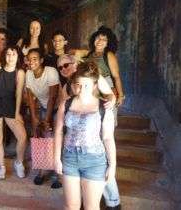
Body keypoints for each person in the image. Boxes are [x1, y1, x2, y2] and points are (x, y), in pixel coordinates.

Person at [57, 54, 121, 210]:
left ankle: (113, 201)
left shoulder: (93, 78)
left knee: (91, 206)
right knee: (71, 205)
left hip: (94, 156)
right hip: (70, 155)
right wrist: (56, 158)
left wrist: (112, 165)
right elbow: (60, 127)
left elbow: (107, 138)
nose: (64, 69)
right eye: (60, 67)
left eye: (67, 65)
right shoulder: (67, 90)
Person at [0, 46, 27, 179]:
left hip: (10, 104)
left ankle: (19, 162)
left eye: (14, 54)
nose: (10, 57)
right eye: (8, 54)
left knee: (22, 136)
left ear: (18, 56)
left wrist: (16, 113)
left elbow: (19, 94)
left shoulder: (19, 72)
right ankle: (1, 166)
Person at [25, 48, 62, 189]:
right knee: (39, 136)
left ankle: (57, 175)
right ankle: (41, 172)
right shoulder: (29, 74)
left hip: (57, 108)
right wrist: (34, 118)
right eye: (29, 59)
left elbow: (53, 97)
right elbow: (30, 98)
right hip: (43, 108)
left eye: (35, 58)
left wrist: (47, 120)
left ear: (41, 60)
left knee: (53, 138)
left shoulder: (51, 71)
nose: (31, 61)